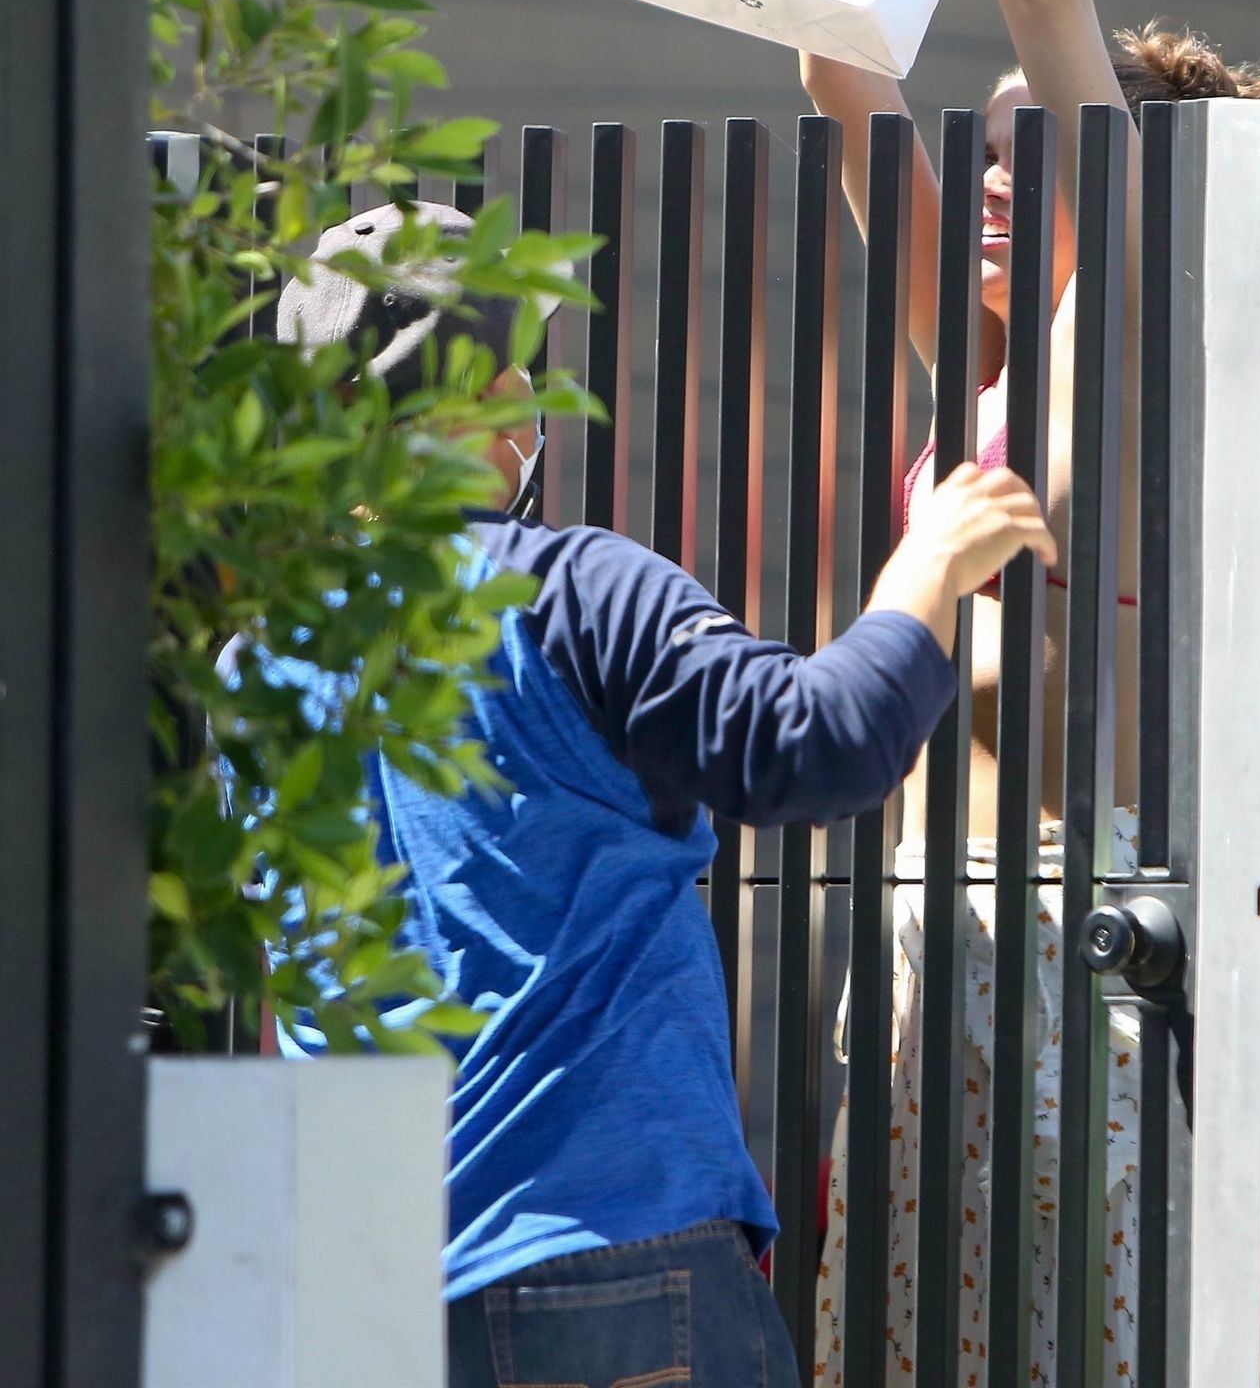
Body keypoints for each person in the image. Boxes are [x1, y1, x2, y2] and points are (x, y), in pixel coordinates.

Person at [240, 199, 1055, 1388]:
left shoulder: (257, 660)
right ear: (487, 405)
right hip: (605, 1251)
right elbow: (809, 746)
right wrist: (926, 566)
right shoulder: (567, 593)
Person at [806, 0, 1260, 1388]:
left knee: (1071, 1347)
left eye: (1030, 151)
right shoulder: (985, 371)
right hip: (929, 928)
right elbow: (842, 74)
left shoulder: (1130, 330)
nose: (988, 175)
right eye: (983, 151)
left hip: (1083, 925)